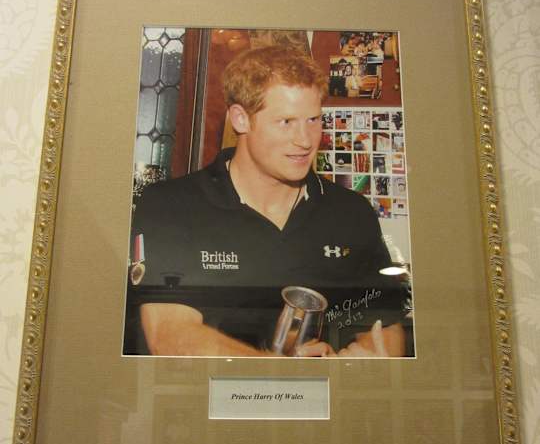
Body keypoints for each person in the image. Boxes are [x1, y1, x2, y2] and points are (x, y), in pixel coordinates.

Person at [125, 46, 409, 358]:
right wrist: (286, 374)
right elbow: (170, 335)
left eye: (313, 119)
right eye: (286, 121)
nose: (305, 140)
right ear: (241, 119)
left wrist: (360, 361)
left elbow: (386, 326)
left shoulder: (351, 213)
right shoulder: (171, 207)